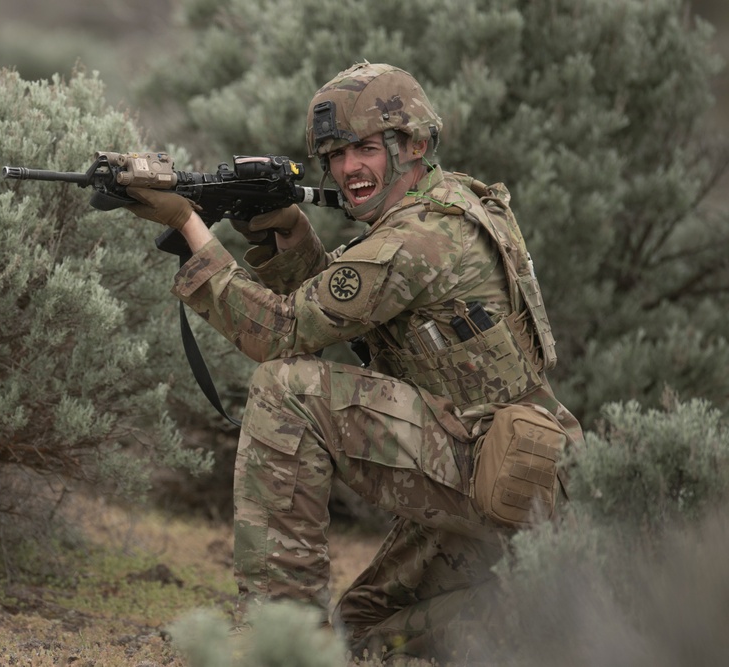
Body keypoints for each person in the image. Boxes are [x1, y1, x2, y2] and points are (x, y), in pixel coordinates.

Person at [123, 62, 584, 662]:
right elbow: (340, 307)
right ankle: (522, 627)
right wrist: (286, 232)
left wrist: (187, 224)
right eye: (335, 154)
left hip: (494, 473)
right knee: (364, 632)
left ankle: (275, 634)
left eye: (365, 148)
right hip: (522, 477)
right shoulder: (451, 201)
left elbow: (285, 333)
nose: (347, 170)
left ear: (415, 144)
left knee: (286, 389)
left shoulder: (418, 238)